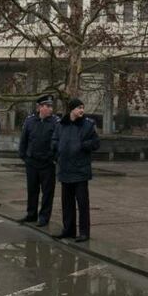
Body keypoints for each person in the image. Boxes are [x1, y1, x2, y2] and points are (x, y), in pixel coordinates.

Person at [51, 98, 100, 243]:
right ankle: (68, 230)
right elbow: (54, 140)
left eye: (82, 107)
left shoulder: (88, 125)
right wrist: (57, 154)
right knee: (67, 203)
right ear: (71, 109)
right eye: (79, 107)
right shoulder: (61, 125)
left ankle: (84, 232)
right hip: (65, 169)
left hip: (80, 170)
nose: (81, 110)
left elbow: (96, 143)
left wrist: (83, 145)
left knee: (82, 203)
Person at [18, 94, 59, 227]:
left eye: (51, 106)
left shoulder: (55, 122)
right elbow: (24, 139)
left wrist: (53, 158)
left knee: (47, 192)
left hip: (47, 163)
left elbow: (58, 143)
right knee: (32, 190)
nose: (50, 109)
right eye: (47, 106)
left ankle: (44, 217)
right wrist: (24, 156)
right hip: (32, 162)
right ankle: (31, 214)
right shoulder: (30, 121)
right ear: (39, 107)